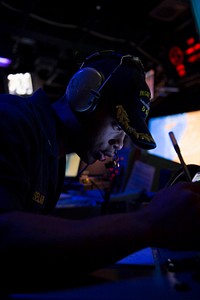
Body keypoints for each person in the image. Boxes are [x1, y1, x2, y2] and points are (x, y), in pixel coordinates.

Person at [1, 49, 200, 294]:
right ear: (83, 94)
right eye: (118, 126)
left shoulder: (51, 155)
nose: (119, 144)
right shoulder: (11, 118)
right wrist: (150, 222)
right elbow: (6, 235)